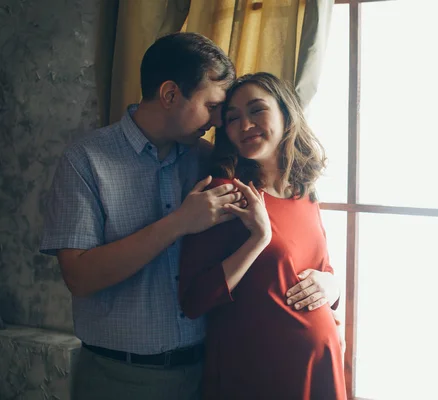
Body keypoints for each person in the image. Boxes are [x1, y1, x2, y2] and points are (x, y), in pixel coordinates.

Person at [39, 33, 241, 400]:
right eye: (211, 106)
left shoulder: (208, 159)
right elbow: (79, 276)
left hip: (204, 373)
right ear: (169, 95)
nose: (217, 120)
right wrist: (180, 222)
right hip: (115, 379)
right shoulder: (85, 160)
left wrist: (325, 280)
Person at [178, 72, 346, 400]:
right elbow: (194, 299)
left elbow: (321, 268)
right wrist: (259, 239)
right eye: (232, 118)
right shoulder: (225, 193)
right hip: (256, 374)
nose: (245, 125)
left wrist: (332, 286)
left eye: (257, 110)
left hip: (318, 369)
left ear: (286, 113)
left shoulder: (304, 193)